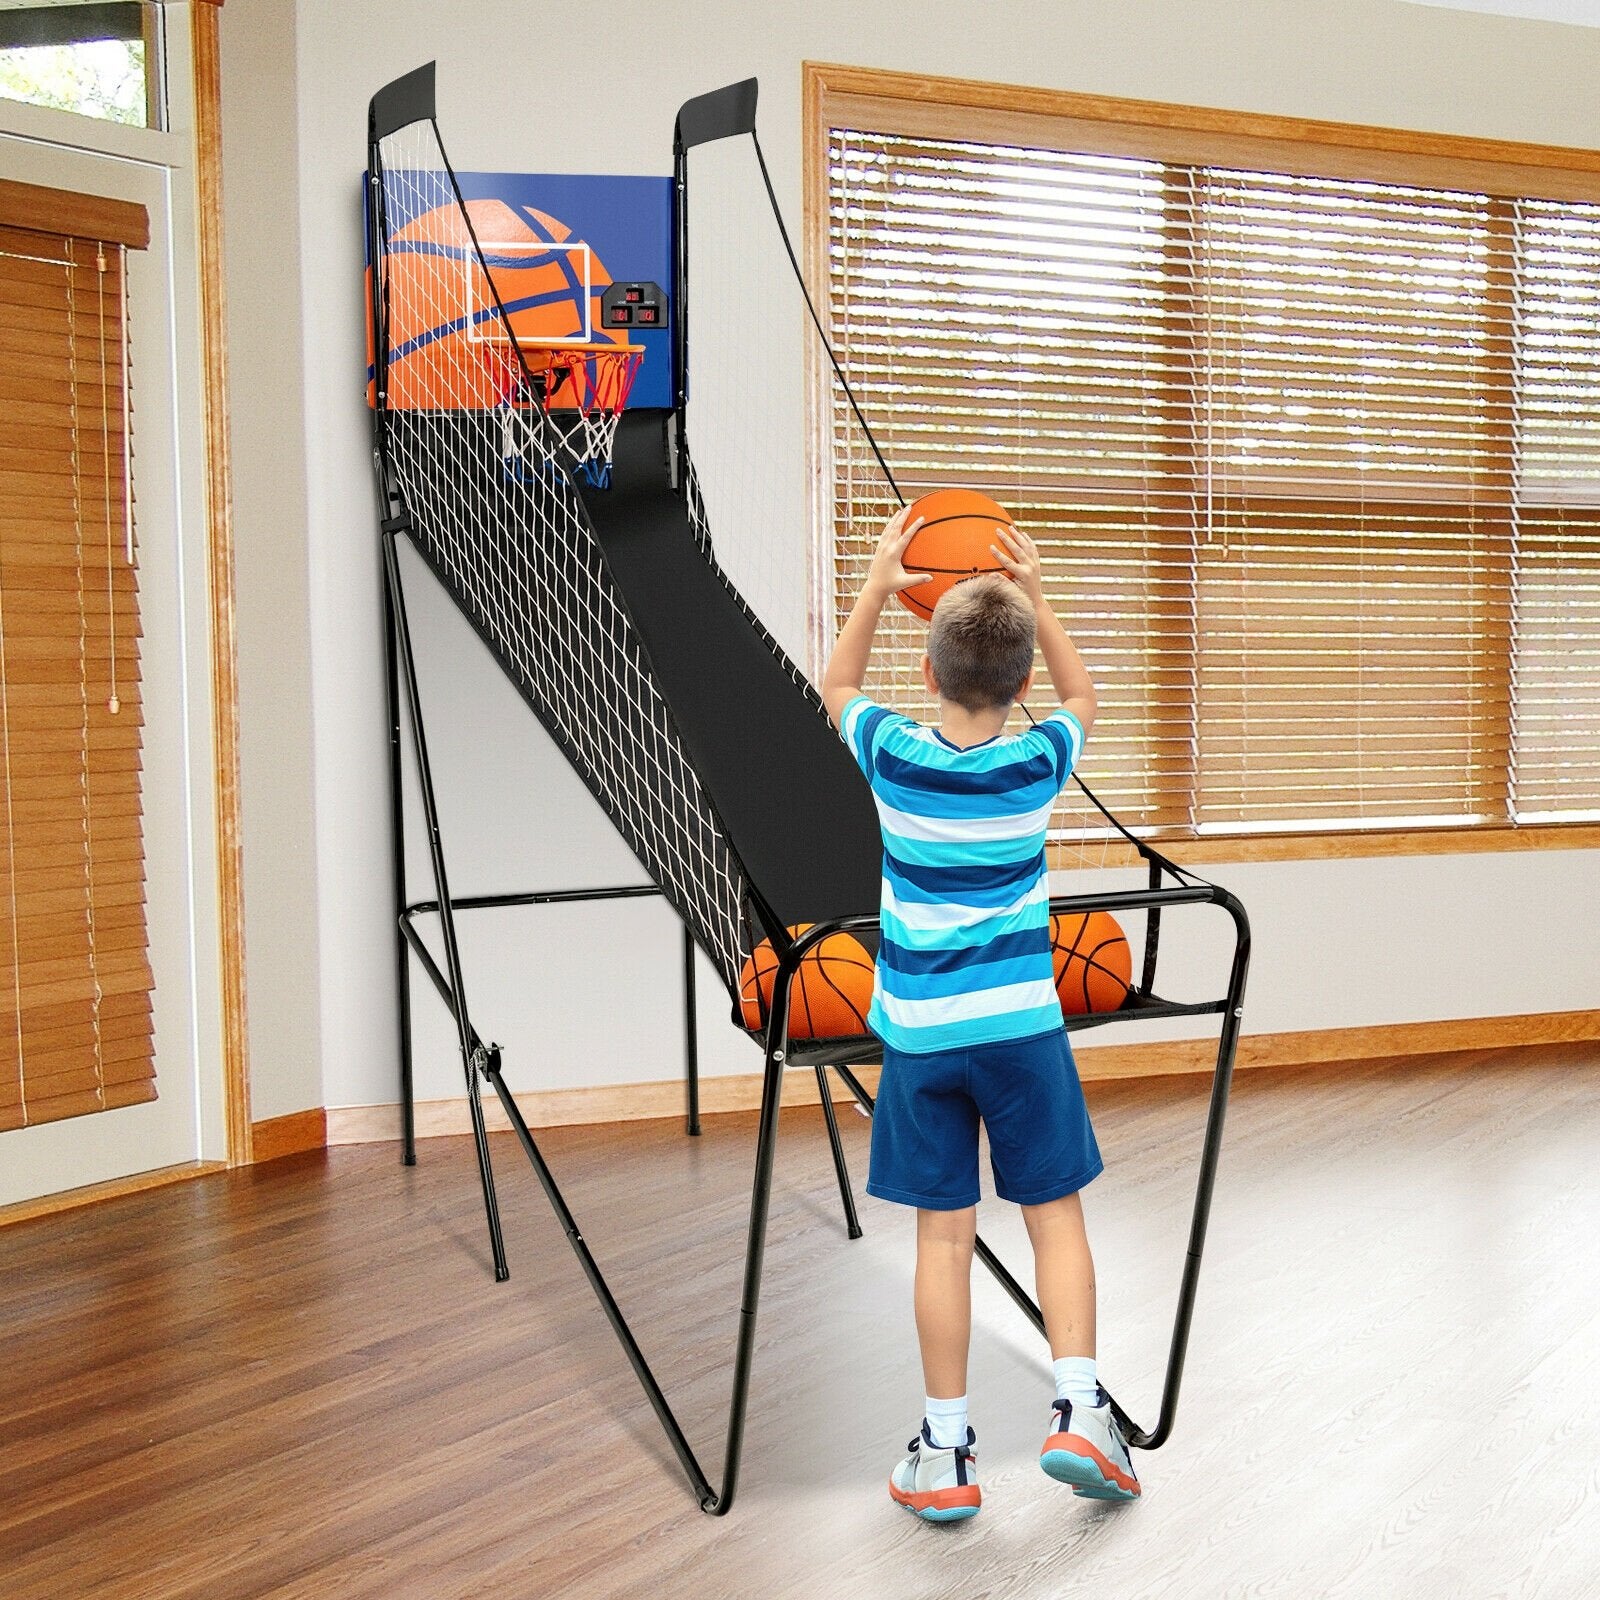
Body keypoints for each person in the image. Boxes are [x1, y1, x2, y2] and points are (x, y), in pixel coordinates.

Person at [820, 506, 1138, 1523]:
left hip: (919, 1039)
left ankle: (946, 1450)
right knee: (1054, 1217)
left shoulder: (894, 755)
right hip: (1021, 1033)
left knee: (942, 1241)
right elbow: (1085, 691)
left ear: (929, 676)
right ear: (1019, 684)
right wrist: (1036, 598)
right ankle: (1081, 1409)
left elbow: (833, 686)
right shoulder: (1036, 759)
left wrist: (876, 584)